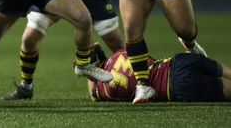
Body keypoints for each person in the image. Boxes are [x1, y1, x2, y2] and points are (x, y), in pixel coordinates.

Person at [87, 43, 231, 102]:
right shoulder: (119, 52)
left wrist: (89, 72)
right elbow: (149, 60)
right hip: (179, 61)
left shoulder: (105, 87)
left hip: (177, 85)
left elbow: (93, 95)